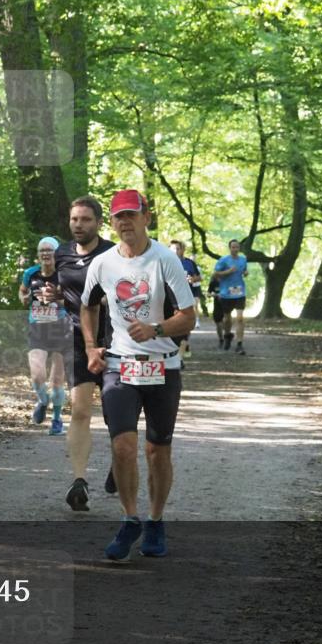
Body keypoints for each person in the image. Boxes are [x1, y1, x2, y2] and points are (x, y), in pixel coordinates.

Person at [80, 189, 195, 562]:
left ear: (147, 217)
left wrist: (157, 329)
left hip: (163, 367)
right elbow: (87, 307)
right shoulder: (103, 263)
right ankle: (130, 519)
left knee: (157, 451)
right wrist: (90, 347)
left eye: (132, 215)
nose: (125, 222)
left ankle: (155, 520)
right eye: (118, 217)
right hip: (120, 366)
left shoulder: (165, 260)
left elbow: (189, 317)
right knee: (123, 447)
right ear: (110, 223)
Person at [53, 196, 114, 510]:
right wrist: (55, 293)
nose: (79, 225)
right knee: (79, 411)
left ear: (99, 223)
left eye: (86, 219)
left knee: (116, 410)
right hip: (76, 339)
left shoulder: (113, 253)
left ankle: (121, 460)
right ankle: (79, 480)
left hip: (116, 341)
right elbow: (65, 289)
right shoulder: (62, 253)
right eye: (75, 219)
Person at [19, 236, 72, 436]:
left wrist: (56, 300)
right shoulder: (30, 273)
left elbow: (74, 302)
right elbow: (23, 291)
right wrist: (24, 298)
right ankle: (42, 400)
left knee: (57, 381)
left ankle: (57, 420)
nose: (46, 254)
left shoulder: (65, 275)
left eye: (50, 250)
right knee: (37, 375)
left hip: (61, 331)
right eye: (42, 251)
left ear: (57, 254)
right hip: (38, 331)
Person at [213, 239, 248, 355]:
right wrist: (228, 271)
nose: (235, 249)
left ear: (239, 248)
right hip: (226, 293)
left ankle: (240, 344)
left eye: (237, 247)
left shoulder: (243, 260)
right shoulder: (223, 260)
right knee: (227, 319)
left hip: (240, 292)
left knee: (240, 318)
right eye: (233, 247)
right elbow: (215, 274)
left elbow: (244, 271)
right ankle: (227, 336)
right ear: (230, 248)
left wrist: (245, 273)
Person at [169, 239, 203, 341]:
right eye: (172, 249)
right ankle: (175, 343)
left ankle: (185, 341)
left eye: (177, 249)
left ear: (182, 250)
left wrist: (192, 279)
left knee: (184, 320)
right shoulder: (166, 262)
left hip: (186, 295)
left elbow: (199, 277)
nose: (175, 251)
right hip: (170, 296)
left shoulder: (189, 263)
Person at [207, 275, 225, 348]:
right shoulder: (213, 283)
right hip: (217, 305)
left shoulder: (228, 281)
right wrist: (213, 294)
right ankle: (221, 339)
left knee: (225, 321)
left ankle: (226, 337)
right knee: (218, 323)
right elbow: (208, 294)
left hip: (226, 304)